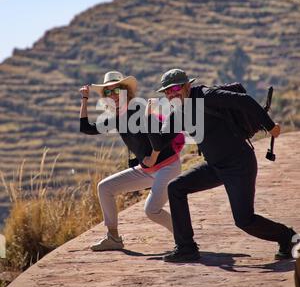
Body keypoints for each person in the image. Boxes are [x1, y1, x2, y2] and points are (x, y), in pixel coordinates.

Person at [146, 68, 297, 263]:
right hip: (214, 167)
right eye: (167, 91)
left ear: (187, 86)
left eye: (175, 88)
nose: (171, 93)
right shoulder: (178, 113)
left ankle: (289, 238)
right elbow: (159, 143)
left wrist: (270, 126)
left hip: (239, 164)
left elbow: (245, 101)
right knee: (176, 188)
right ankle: (186, 248)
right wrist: (149, 117)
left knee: (244, 220)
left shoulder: (207, 96)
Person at [79, 70, 183, 251]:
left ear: (126, 91)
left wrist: (153, 157)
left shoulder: (139, 109)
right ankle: (113, 238)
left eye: (117, 90)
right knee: (105, 188)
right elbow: (86, 128)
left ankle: (184, 238)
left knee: (152, 210)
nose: (113, 95)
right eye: (108, 92)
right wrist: (85, 99)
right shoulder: (116, 118)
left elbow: (159, 136)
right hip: (147, 169)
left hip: (167, 166)